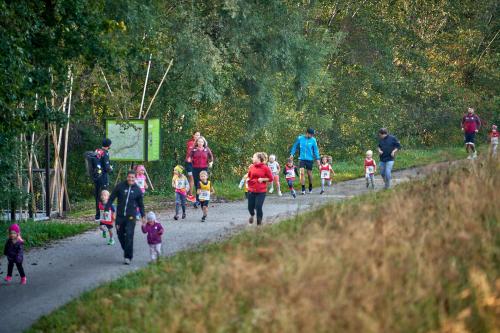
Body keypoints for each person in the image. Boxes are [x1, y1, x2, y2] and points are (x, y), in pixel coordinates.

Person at [106, 170, 145, 265]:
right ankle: (127, 249)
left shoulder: (137, 190)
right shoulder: (120, 186)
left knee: (129, 235)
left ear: (135, 178)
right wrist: (107, 208)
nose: (131, 179)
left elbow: (141, 205)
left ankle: (128, 256)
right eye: (129, 177)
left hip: (131, 217)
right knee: (120, 235)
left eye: (133, 177)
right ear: (127, 177)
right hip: (120, 217)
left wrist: (143, 215)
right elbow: (111, 198)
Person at [290, 128, 321, 195]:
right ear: (307, 133)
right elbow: (294, 146)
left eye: (312, 135)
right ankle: (303, 189)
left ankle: (310, 186)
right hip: (301, 159)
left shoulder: (313, 140)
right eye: (311, 134)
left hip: (310, 159)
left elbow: (316, 150)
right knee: (302, 173)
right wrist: (292, 154)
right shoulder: (300, 138)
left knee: (309, 174)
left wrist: (318, 159)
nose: (312, 136)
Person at [247, 152, 273, 225]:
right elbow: (249, 176)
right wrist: (247, 180)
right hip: (251, 190)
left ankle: (259, 225)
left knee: (258, 207)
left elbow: (271, 178)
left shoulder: (265, 168)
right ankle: (252, 215)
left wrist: (263, 179)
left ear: (258, 159)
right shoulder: (251, 167)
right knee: (250, 207)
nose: (252, 158)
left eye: (254, 157)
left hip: (261, 191)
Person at [190, 136, 214, 207]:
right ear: (197, 142)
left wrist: (211, 163)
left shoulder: (207, 149)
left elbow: (211, 157)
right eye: (199, 141)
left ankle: (205, 199)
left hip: (204, 168)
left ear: (204, 143)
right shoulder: (194, 150)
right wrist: (191, 161)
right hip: (195, 168)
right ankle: (198, 200)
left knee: (204, 183)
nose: (200, 143)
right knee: (197, 184)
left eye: (202, 142)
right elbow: (189, 157)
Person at [94, 138, 113, 222]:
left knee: (98, 196)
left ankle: (97, 216)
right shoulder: (105, 153)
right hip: (103, 177)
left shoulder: (97, 150)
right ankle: (105, 216)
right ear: (108, 145)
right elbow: (107, 167)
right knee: (105, 196)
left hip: (96, 177)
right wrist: (111, 169)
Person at [185, 131, 201, 202]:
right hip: (189, 164)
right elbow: (189, 153)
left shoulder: (200, 144)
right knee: (192, 179)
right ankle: (190, 195)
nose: (197, 136)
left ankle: (188, 194)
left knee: (192, 179)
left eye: (199, 135)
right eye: (196, 135)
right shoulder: (191, 143)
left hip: (196, 164)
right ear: (193, 135)